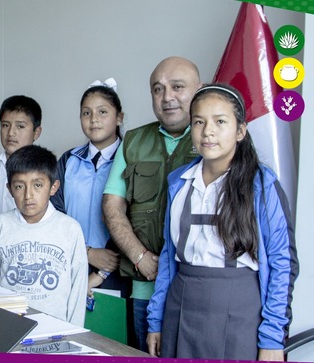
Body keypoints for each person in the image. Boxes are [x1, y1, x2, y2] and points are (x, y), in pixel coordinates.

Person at [146, 84, 298, 361]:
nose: (208, 131)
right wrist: (156, 321)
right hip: (181, 305)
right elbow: (169, 257)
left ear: (240, 131)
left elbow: (282, 264)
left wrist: (273, 338)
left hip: (239, 311)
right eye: (199, 122)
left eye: (220, 121)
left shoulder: (261, 184)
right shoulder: (178, 183)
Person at [102, 56, 202, 351]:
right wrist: (139, 256)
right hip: (144, 285)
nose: (167, 97)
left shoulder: (212, 138)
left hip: (194, 288)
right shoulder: (133, 141)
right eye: (158, 89)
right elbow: (112, 206)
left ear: (200, 89)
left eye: (177, 87)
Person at [0, 145, 88, 326]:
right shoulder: (0, 225)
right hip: (8, 326)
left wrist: (74, 332)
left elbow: (78, 289)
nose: (28, 195)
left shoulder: (70, 229)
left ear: (53, 187)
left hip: (55, 328)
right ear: (9, 189)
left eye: (38, 185)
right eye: (19, 186)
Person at [51, 78, 127, 295]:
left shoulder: (130, 160)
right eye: (86, 113)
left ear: (119, 117)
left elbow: (133, 220)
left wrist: (100, 273)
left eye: (102, 112)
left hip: (116, 272)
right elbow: (54, 213)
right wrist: (86, 252)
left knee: (106, 328)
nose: (94, 119)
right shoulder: (68, 160)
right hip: (69, 262)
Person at [0, 95, 42, 265]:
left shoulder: (46, 170)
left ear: (36, 132)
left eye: (20, 126)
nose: (11, 133)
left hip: (34, 260)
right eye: (5, 125)